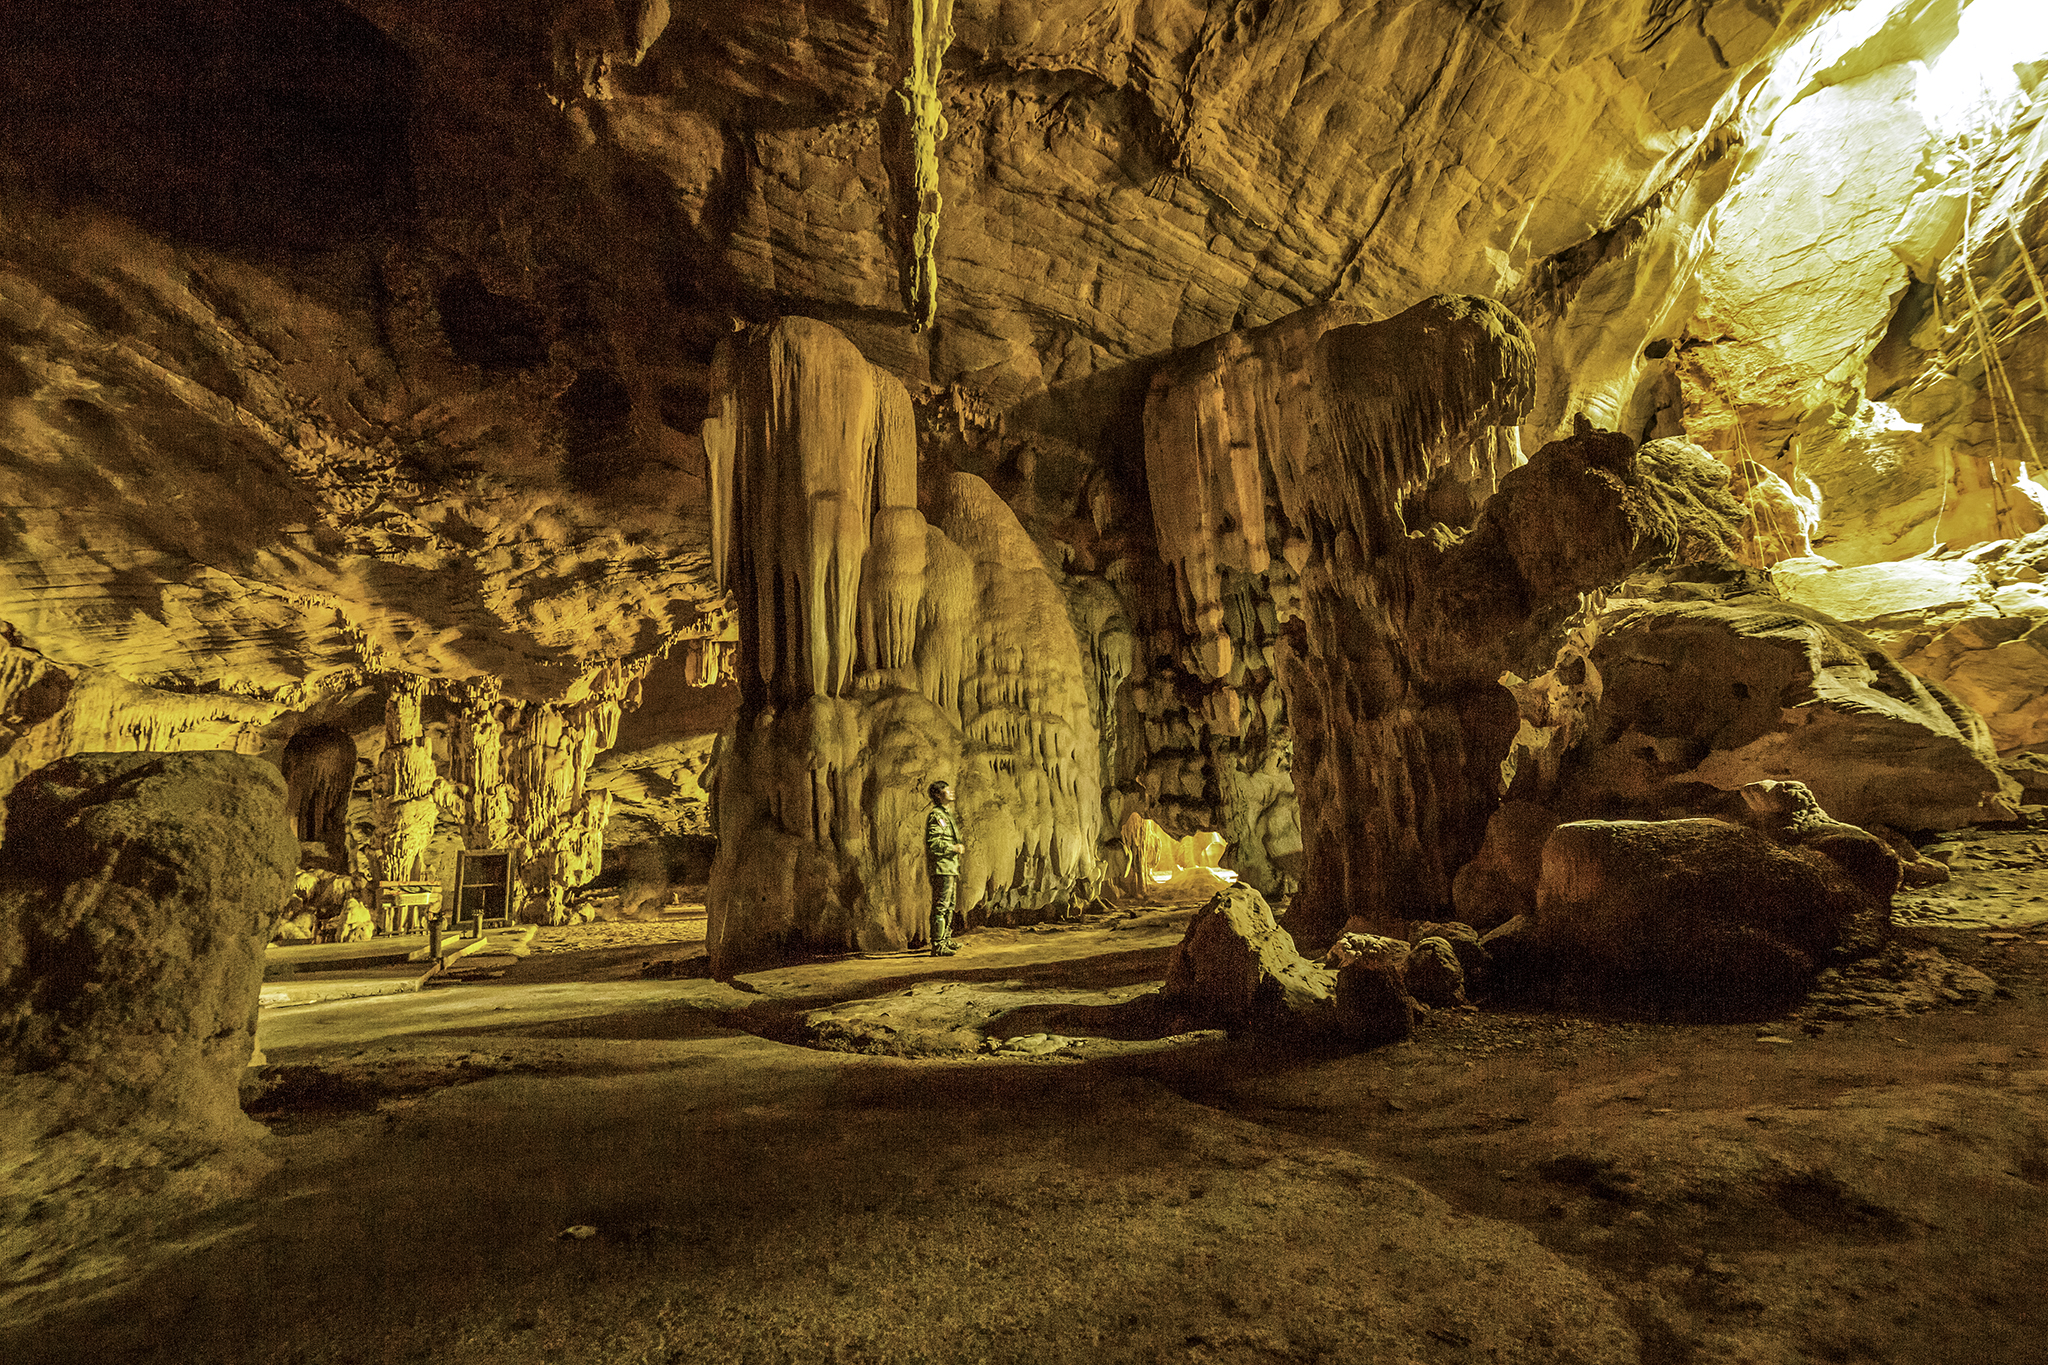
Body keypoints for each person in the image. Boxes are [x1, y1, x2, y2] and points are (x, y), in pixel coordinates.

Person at [924, 779, 965, 956]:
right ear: (938, 795)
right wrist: (953, 848)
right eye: (947, 790)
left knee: (949, 905)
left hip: (949, 867)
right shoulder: (937, 816)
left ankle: (945, 939)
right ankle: (938, 945)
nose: (952, 792)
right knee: (941, 906)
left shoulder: (945, 814)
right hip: (942, 868)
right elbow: (934, 843)